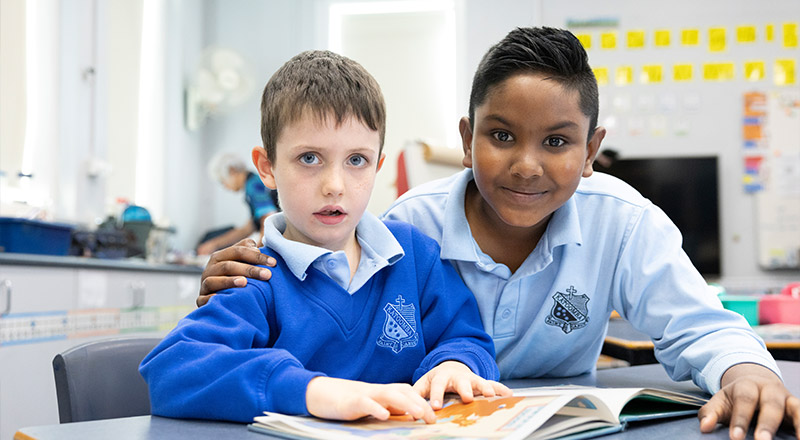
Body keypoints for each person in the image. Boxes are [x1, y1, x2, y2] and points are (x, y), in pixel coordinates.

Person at [195, 27, 800, 439]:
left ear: (592, 150)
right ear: (466, 139)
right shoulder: (407, 231)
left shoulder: (623, 220)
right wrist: (244, 275)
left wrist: (747, 370)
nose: (526, 165)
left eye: (558, 142)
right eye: (501, 136)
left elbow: (702, 325)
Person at [140, 50, 509, 424]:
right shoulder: (255, 276)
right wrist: (313, 390)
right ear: (267, 168)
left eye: (356, 160)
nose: (335, 186)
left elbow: (465, 337)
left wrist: (456, 365)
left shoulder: (414, 255)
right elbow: (171, 371)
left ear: (377, 166)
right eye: (310, 158)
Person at [196, 152, 279, 255]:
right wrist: (214, 244)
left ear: (232, 171)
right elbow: (248, 228)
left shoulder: (253, 185)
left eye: (222, 181)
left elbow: (268, 220)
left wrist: (258, 253)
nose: (225, 186)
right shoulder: (252, 184)